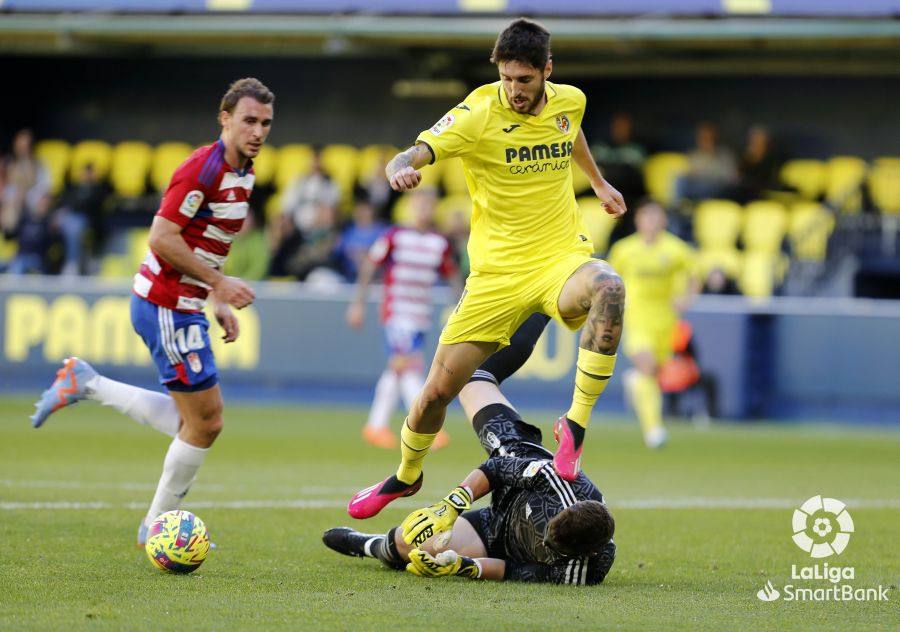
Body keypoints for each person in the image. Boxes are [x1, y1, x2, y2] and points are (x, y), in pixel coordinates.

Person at [348, 18, 627, 520]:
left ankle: (575, 427)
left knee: (609, 286)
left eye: (524, 80)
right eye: (506, 78)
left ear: (547, 70)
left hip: (560, 259)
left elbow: (571, 131)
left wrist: (598, 183)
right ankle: (406, 476)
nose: (514, 90)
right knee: (435, 393)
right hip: (496, 275)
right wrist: (399, 168)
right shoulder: (477, 112)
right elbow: (418, 150)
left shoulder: (570, 99)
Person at [30, 78, 274, 545]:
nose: (258, 131)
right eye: (248, 120)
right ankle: (157, 527)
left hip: (183, 303)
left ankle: (87, 383)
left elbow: (211, 245)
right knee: (206, 422)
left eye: (265, 123)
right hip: (164, 303)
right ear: (224, 118)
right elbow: (162, 238)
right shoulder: (201, 169)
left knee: (199, 422)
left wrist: (217, 299)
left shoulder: (245, 173)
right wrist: (219, 284)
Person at [325, 314, 616, 585]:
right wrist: (450, 507)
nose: (544, 541)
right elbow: (497, 469)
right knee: (472, 376)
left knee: (406, 543)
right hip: (515, 458)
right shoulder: (556, 480)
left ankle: (368, 544)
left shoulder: (590, 568)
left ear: (589, 552)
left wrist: (463, 565)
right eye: (549, 532)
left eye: (551, 545)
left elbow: (519, 571)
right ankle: (540, 308)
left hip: (496, 536)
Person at [346, 188, 461, 449]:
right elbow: (370, 266)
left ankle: (376, 426)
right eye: (420, 204)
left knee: (397, 370)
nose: (424, 210)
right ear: (411, 207)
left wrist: (462, 304)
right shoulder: (395, 236)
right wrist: (358, 303)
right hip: (397, 312)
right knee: (407, 367)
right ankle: (425, 428)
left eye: (429, 205)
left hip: (420, 316)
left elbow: (452, 275)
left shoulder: (438, 243)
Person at [607, 200, 698, 448]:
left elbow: (693, 274)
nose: (651, 223)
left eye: (656, 218)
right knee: (647, 365)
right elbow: (610, 279)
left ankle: (636, 385)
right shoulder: (624, 249)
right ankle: (653, 430)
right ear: (638, 221)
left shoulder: (676, 249)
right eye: (646, 218)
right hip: (636, 316)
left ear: (663, 222)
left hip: (665, 319)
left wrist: (687, 297)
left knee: (653, 374)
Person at [675, 122, 737, 203]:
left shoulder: (725, 155)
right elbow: (691, 173)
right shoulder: (694, 155)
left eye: (708, 137)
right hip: (698, 187)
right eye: (702, 137)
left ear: (714, 138)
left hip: (718, 188)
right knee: (681, 180)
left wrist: (711, 156)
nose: (704, 140)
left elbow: (730, 177)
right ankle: (679, 207)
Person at [333, 191, 388, 282]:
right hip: (349, 280)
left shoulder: (382, 231)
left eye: (365, 210)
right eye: (359, 209)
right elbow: (336, 254)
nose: (361, 213)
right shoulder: (348, 233)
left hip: (376, 280)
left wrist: (366, 257)